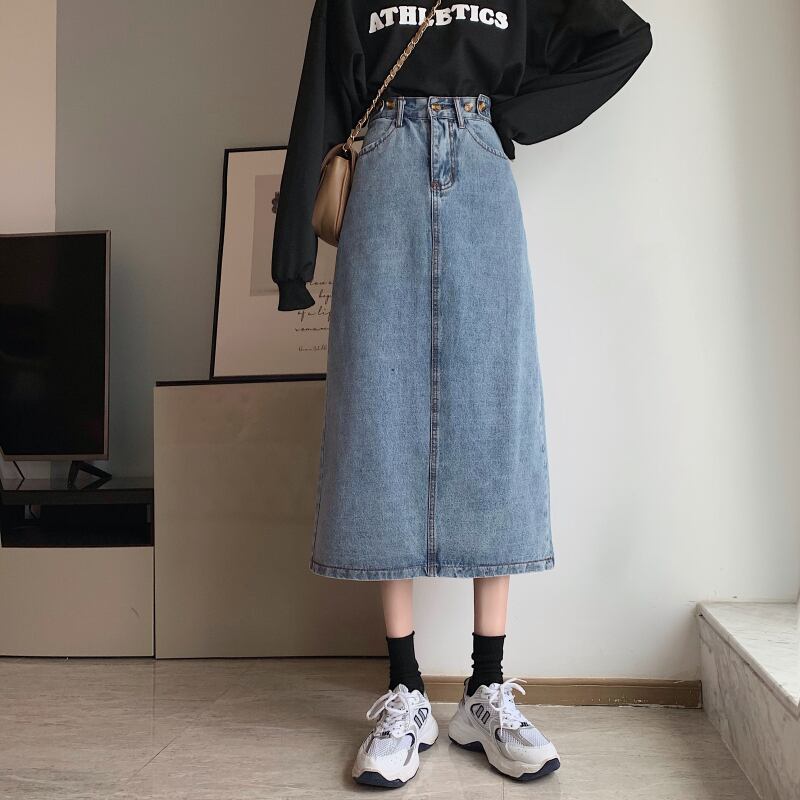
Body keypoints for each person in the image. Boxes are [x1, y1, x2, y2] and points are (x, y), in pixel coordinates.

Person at [271, 0, 653, 788]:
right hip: (382, 177)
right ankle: (405, 691)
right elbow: (322, 94)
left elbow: (625, 37)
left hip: (481, 171)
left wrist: (510, 118)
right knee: (379, 420)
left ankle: (485, 689)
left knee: (493, 414)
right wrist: (292, 261)